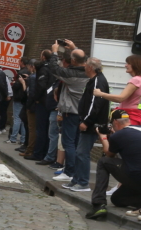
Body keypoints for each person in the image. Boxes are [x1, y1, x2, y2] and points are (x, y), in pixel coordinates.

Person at [61, 57, 109, 192]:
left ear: (90, 68)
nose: (84, 67)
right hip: (89, 122)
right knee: (79, 152)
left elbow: (95, 104)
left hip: (91, 124)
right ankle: (76, 180)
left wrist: (86, 121)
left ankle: (82, 182)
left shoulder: (97, 82)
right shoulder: (94, 80)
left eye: (86, 65)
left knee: (82, 153)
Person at [86, 110, 141, 219]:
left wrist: (103, 136)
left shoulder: (119, 135)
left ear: (115, 122)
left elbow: (109, 154)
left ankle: (98, 204)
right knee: (117, 199)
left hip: (136, 177)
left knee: (103, 161)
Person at [49, 40, 89, 181]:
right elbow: (84, 59)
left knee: (68, 143)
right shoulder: (89, 71)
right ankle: (72, 169)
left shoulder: (71, 75)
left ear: (73, 60)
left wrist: (54, 52)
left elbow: (54, 69)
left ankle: (69, 171)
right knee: (77, 143)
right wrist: (74, 48)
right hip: (82, 112)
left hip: (71, 111)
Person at [93, 54, 141, 125]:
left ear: (135, 65)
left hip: (129, 116)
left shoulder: (136, 80)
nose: (125, 65)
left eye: (128, 63)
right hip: (134, 115)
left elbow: (120, 98)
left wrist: (100, 94)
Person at [30, 50, 56, 160]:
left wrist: (36, 98)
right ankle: (45, 153)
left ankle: (38, 153)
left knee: (41, 129)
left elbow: (41, 85)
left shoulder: (43, 69)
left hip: (42, 102)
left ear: (43, 57)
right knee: (47, 129)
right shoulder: (54, 68)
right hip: (50, 101)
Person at [6, 57, 29, 144]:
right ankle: (23, 139)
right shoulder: (29, 73)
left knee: (17, 118)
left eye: (19, 61)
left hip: (18, 98)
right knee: (23, 120)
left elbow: (16, 86)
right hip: (25, 98)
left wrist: (14, 84)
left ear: (22, 62)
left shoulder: (21, 73)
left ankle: (13, 138)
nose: (18, 63)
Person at [20, 60, 38, 158]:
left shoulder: (33, 77)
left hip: (31, 106)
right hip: (35, 105)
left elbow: (30, 93)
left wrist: (24, 83)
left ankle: (29, 149)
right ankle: (29, 148)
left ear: (32, 67)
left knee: (31, 128)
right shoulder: (34, 77)